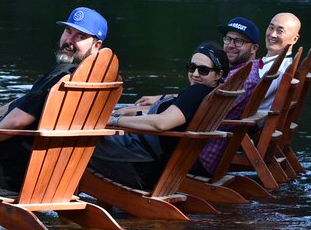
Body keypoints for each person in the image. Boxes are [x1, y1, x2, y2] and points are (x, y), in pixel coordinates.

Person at [0, 7, 108, 194]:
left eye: (80, 37)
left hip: (17, 171)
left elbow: (18, 121)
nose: (69, 41)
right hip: (62, 176)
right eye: (68, 31)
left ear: (96, 46)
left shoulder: (62, 76)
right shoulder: (99, 83)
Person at [86, 41, 229, 189]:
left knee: (79, 143)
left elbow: (162, 123)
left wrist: (115, 120)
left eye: (203, 70)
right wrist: (135, 112)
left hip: (139, 162)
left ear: (218, 74)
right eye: (191, 68)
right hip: (150, 161)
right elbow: (175, 114)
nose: (195, 74)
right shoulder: (211, 95)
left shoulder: (197, 92)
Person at [192, 15, 262, 178]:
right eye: (228, 39)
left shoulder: (241, 81)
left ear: (254, 48)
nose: (230, 46)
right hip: (203, 152)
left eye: (239, 41)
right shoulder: (243, 72)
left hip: (198, 157)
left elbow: (200, 112)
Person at [258, 11, 302, 113]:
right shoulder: (277, 63)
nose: (272, 35)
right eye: (271, 28)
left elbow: (253, 97)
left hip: (245, 123)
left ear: (294, 39)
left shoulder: (279, 68)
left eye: (280, 31)